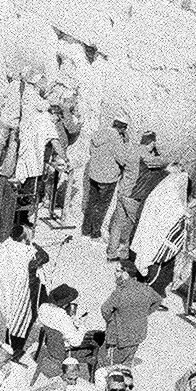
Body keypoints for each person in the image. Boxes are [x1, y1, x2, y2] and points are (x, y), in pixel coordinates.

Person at [106, 131, 164, 260]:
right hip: (133, 195)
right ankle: (133, 256)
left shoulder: (131, 148)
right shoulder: (144, 153)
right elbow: (160, 163)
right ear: (152, 143)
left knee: (117, 223)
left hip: (122, 191)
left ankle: (111, 253)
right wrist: (158, 151)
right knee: (138, 225)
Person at [0, 224, 46, 355]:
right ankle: (16, 350)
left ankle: (9, 344)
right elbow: (44, 257)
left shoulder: (7, 245)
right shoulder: (26, 252)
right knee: (23, 320)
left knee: (12, 319)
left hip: (7, 291)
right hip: (24, 292)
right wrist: (34, 245)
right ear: (23, 238)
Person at [99, 262, 162, 368]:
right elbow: (158, 300)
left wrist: (111, 320)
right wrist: (145, 313)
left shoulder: (120, 292)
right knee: (126, 366)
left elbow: (105, 309)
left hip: (118, 338)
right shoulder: (146, 289)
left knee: (104, 363)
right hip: (137, 336)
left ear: (126, 274)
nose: (115, 273)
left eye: (118, 271)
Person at [81, 110, 130, 239]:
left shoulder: (99, 133)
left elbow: (91, 151)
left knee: (91, 203)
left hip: (94, 174)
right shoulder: (116, 139)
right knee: (102, 206)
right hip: (108, 178)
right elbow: (122, 160)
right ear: (123, 128)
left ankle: (85, 231)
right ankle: (95, 233)